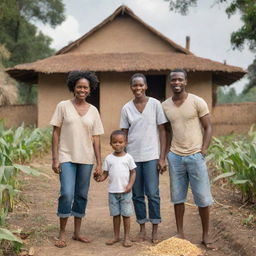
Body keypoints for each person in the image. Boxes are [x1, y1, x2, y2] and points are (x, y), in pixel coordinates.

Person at [162, 69, 215, 250]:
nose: (176, 82)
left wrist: (203, 150)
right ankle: (180, 233)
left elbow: (208, 127)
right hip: (175, 156)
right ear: (170, 83)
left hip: (195, 155)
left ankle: (206, 235)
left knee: (202, 197)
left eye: (180, 79)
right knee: (178, 197)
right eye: (173, 80)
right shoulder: (165, 106)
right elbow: (166, 131)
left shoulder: (197, 101)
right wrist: (166, 155)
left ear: (185, 81)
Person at [50, 71, 104, 248]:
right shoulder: (63, 106)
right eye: (79, 86)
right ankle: (62, 233)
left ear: (90, 90)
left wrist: (99, 163)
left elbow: (96, 138)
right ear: (73, 87)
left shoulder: (94, 111)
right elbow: (56, 132)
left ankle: (77, 233)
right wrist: (55, 158)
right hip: (66, 156)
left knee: (81, 195)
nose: (82, 90)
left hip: (86, 159)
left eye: (85, 87)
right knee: (66, 193)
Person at [120, 73, 167, 243]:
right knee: (137, 194)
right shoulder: (126, 108)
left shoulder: (155, 105)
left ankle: (155, 228)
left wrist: (162, 158)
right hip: (133, 158)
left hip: (151, 156)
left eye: (141, 85)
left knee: (153, 193)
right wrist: (123, 159)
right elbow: (124, 134)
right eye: (135, 85)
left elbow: (162, 130)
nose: (138, 88)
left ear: (146, 86)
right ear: (131, 87)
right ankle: (142, 228)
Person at [95, 130, 136, 247]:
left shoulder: (128, 158)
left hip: (125, 192)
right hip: (113, 192)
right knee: (116, 215)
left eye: (120, 142)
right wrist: (99, 178)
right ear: (110, 144)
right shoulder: (109, 158)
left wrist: (130, 185)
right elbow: (105, 174)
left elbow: (133, 172)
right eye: (115, 142)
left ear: (126, 143)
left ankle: (126, 237)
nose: (117, 144)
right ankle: (116, 236)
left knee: (126, 215)